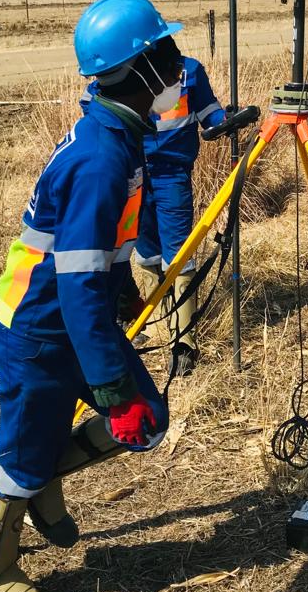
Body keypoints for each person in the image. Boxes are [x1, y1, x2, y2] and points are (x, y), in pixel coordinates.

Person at [0, 0, 185, 592]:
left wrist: (123, 287)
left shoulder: (117, 133)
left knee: (147, 421)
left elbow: (93, 255)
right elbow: (76, 282)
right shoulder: (101, 157)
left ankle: (40, 480)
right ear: (141, 68)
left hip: (75, 319)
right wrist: (111, 383)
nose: (179, 67)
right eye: (167, 53)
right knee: (23, 457)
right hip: (38, 330)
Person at [80, 57, 225, 372]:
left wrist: (225, 122)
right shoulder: (123, 73)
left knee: (179, 252)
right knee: (145, 250)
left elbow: (209, 112)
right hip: (133, 172)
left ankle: (184, 340)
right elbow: (94, 109)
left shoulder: (188, 70)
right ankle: (153, 322)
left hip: (172, 174)